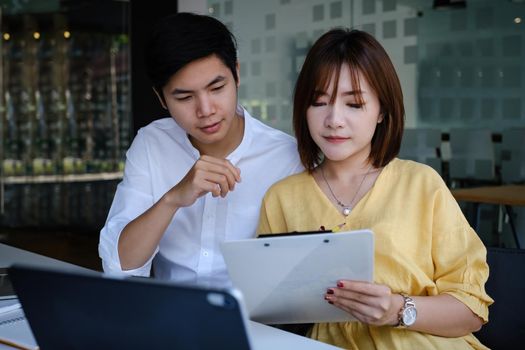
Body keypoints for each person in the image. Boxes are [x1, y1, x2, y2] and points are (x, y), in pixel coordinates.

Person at [257, 28, 493, 349]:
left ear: (381, 111)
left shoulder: (421, 184)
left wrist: (397, 309)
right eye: (319, 102)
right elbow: (269, 311)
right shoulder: (282, 198)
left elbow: (471, 311)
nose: (334, 119)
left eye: (353, 104)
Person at [99, 12, 302, 287]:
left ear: (237, 74)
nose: (206, 110)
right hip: (170, 317)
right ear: (161, 98)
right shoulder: (152, 143)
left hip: (251, 323)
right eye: (184, 97)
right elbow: (119, 266)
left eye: (217, 88)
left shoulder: (286, 157)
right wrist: (173, 198)